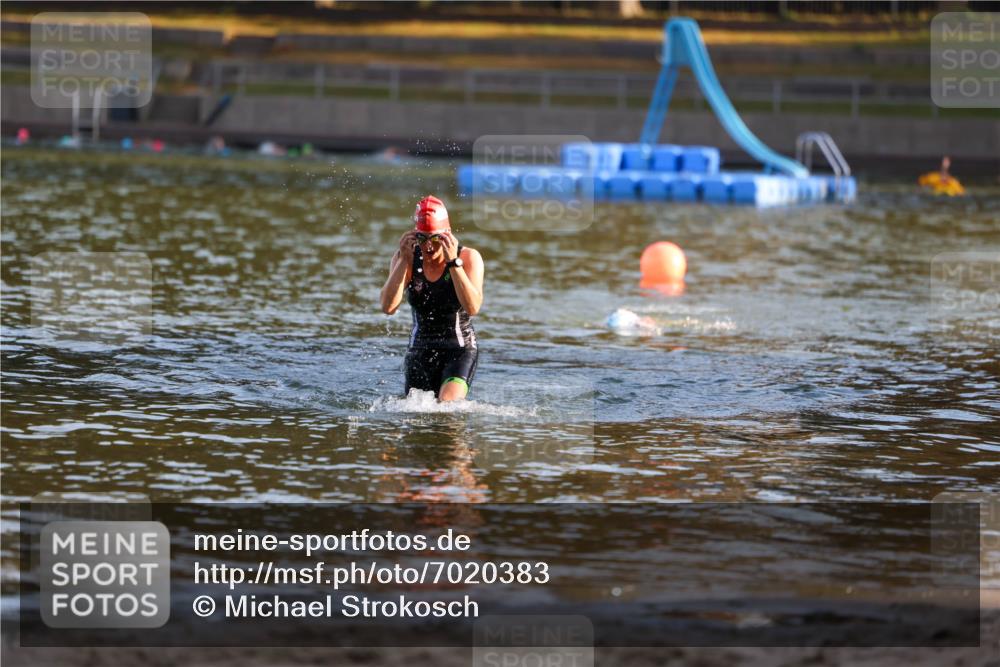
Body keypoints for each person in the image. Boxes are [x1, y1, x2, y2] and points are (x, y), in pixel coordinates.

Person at [380, 196, 484, 402]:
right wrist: (404, 261)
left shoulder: (468, 258)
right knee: (415, 413)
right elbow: (387, 307)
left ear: (448, 234)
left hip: (459, 350)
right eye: (421, 238)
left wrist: (453, 263)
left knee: (447, 407)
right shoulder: (406, 257)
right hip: (420, 350)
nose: (428, 246)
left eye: (435, 239)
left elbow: (473, 307)